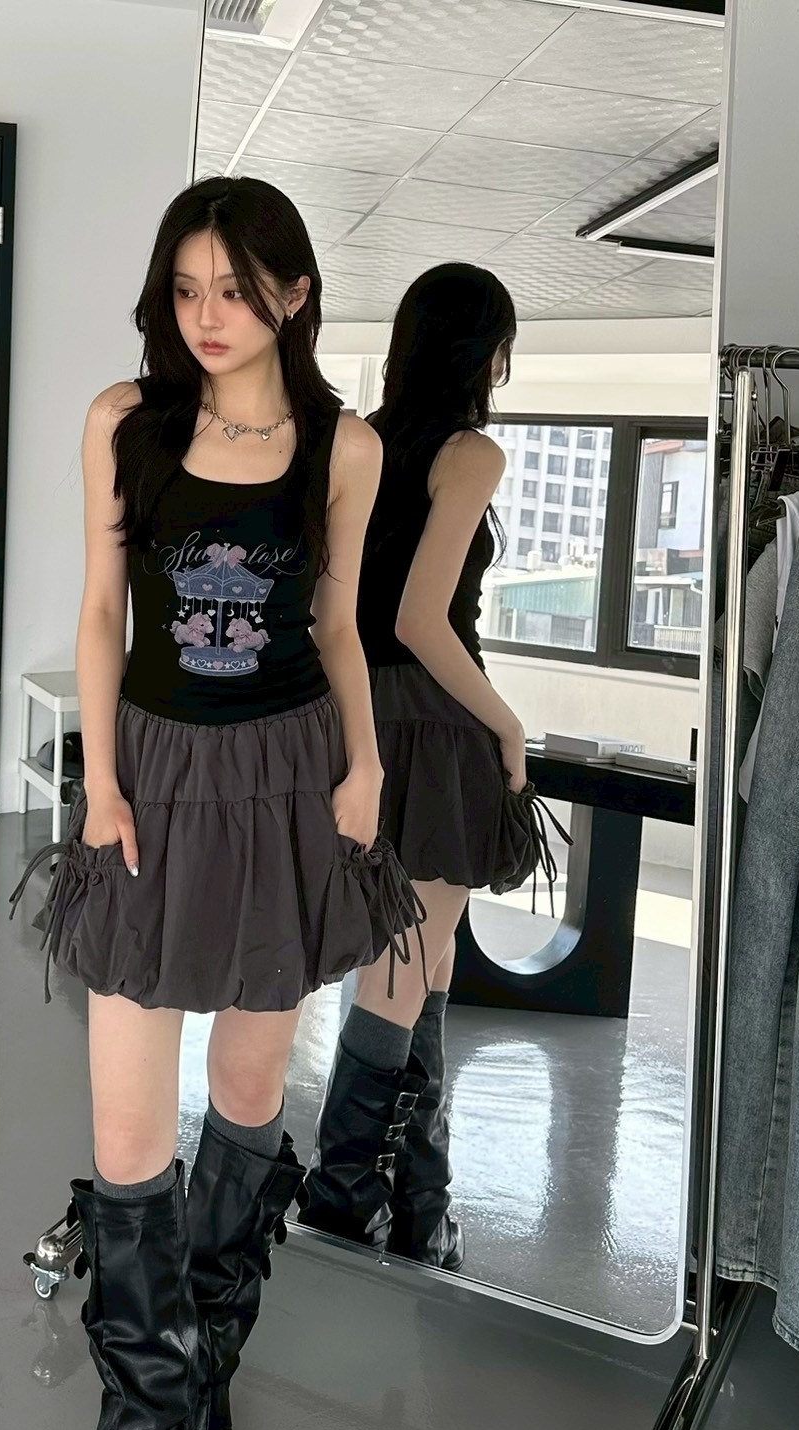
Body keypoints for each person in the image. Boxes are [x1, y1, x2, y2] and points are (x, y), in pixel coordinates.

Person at [13, 176, 424, 1430]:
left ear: (293, 295)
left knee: (248, 1097)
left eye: (236, 291)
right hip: (153, 776)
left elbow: (338, 625)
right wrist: (102, 783)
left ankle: (201, 1392)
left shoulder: (343, 447)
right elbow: (101, 612)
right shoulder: (125, 420)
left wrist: (364, 765)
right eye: (187, 289)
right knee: (131, 1134)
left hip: (290, 778)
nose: (208, 315)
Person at [300, 263, 525, 1273]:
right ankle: (344, 1197)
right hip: (432, 724)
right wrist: (506, 723)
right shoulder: (469, 452)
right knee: (402, 967)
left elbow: (333, 609)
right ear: (486, 353)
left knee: (425, 961)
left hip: (357, 714)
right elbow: (423, 620)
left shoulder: (363, 440)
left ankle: (420, 1197)